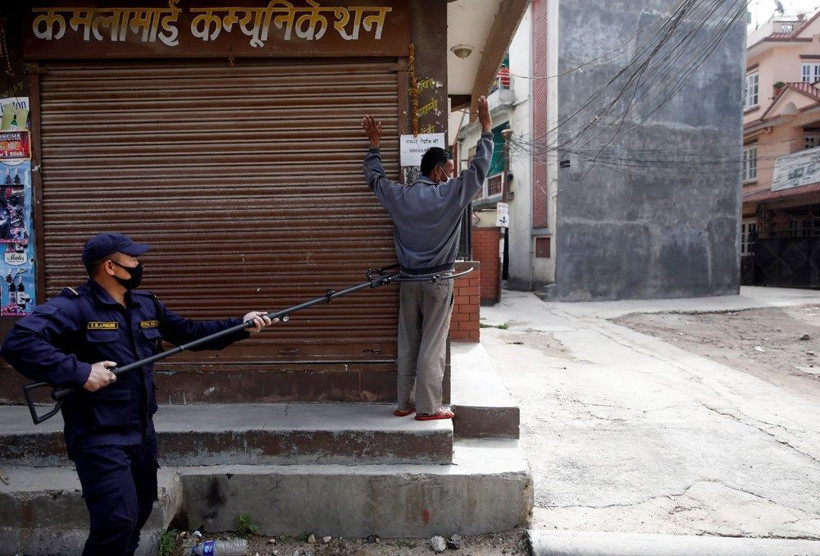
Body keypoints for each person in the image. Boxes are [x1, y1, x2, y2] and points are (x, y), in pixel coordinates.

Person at [0, 232, 273, 555]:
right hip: (98, 437)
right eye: (132, 259)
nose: (138, 264)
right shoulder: (74, 307)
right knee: (116, 522)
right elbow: (18, 343)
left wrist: (240, 325)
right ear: (110, 267)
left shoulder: (145, 304)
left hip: (142, 434)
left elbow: (189, 333)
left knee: (137, 516)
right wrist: (81, 372)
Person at [361, 95, 494, 421]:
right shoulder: (450, 194)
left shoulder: (401, 196)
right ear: (436, 171)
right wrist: (487, 130)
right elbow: (479, 170)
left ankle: (404, 403)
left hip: (407, 281)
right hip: (438, 282)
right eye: (448, 170)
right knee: (432, 344)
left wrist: (374, 147)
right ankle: (428, 408)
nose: (452, 175)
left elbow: (375, 180)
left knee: (407, 343)